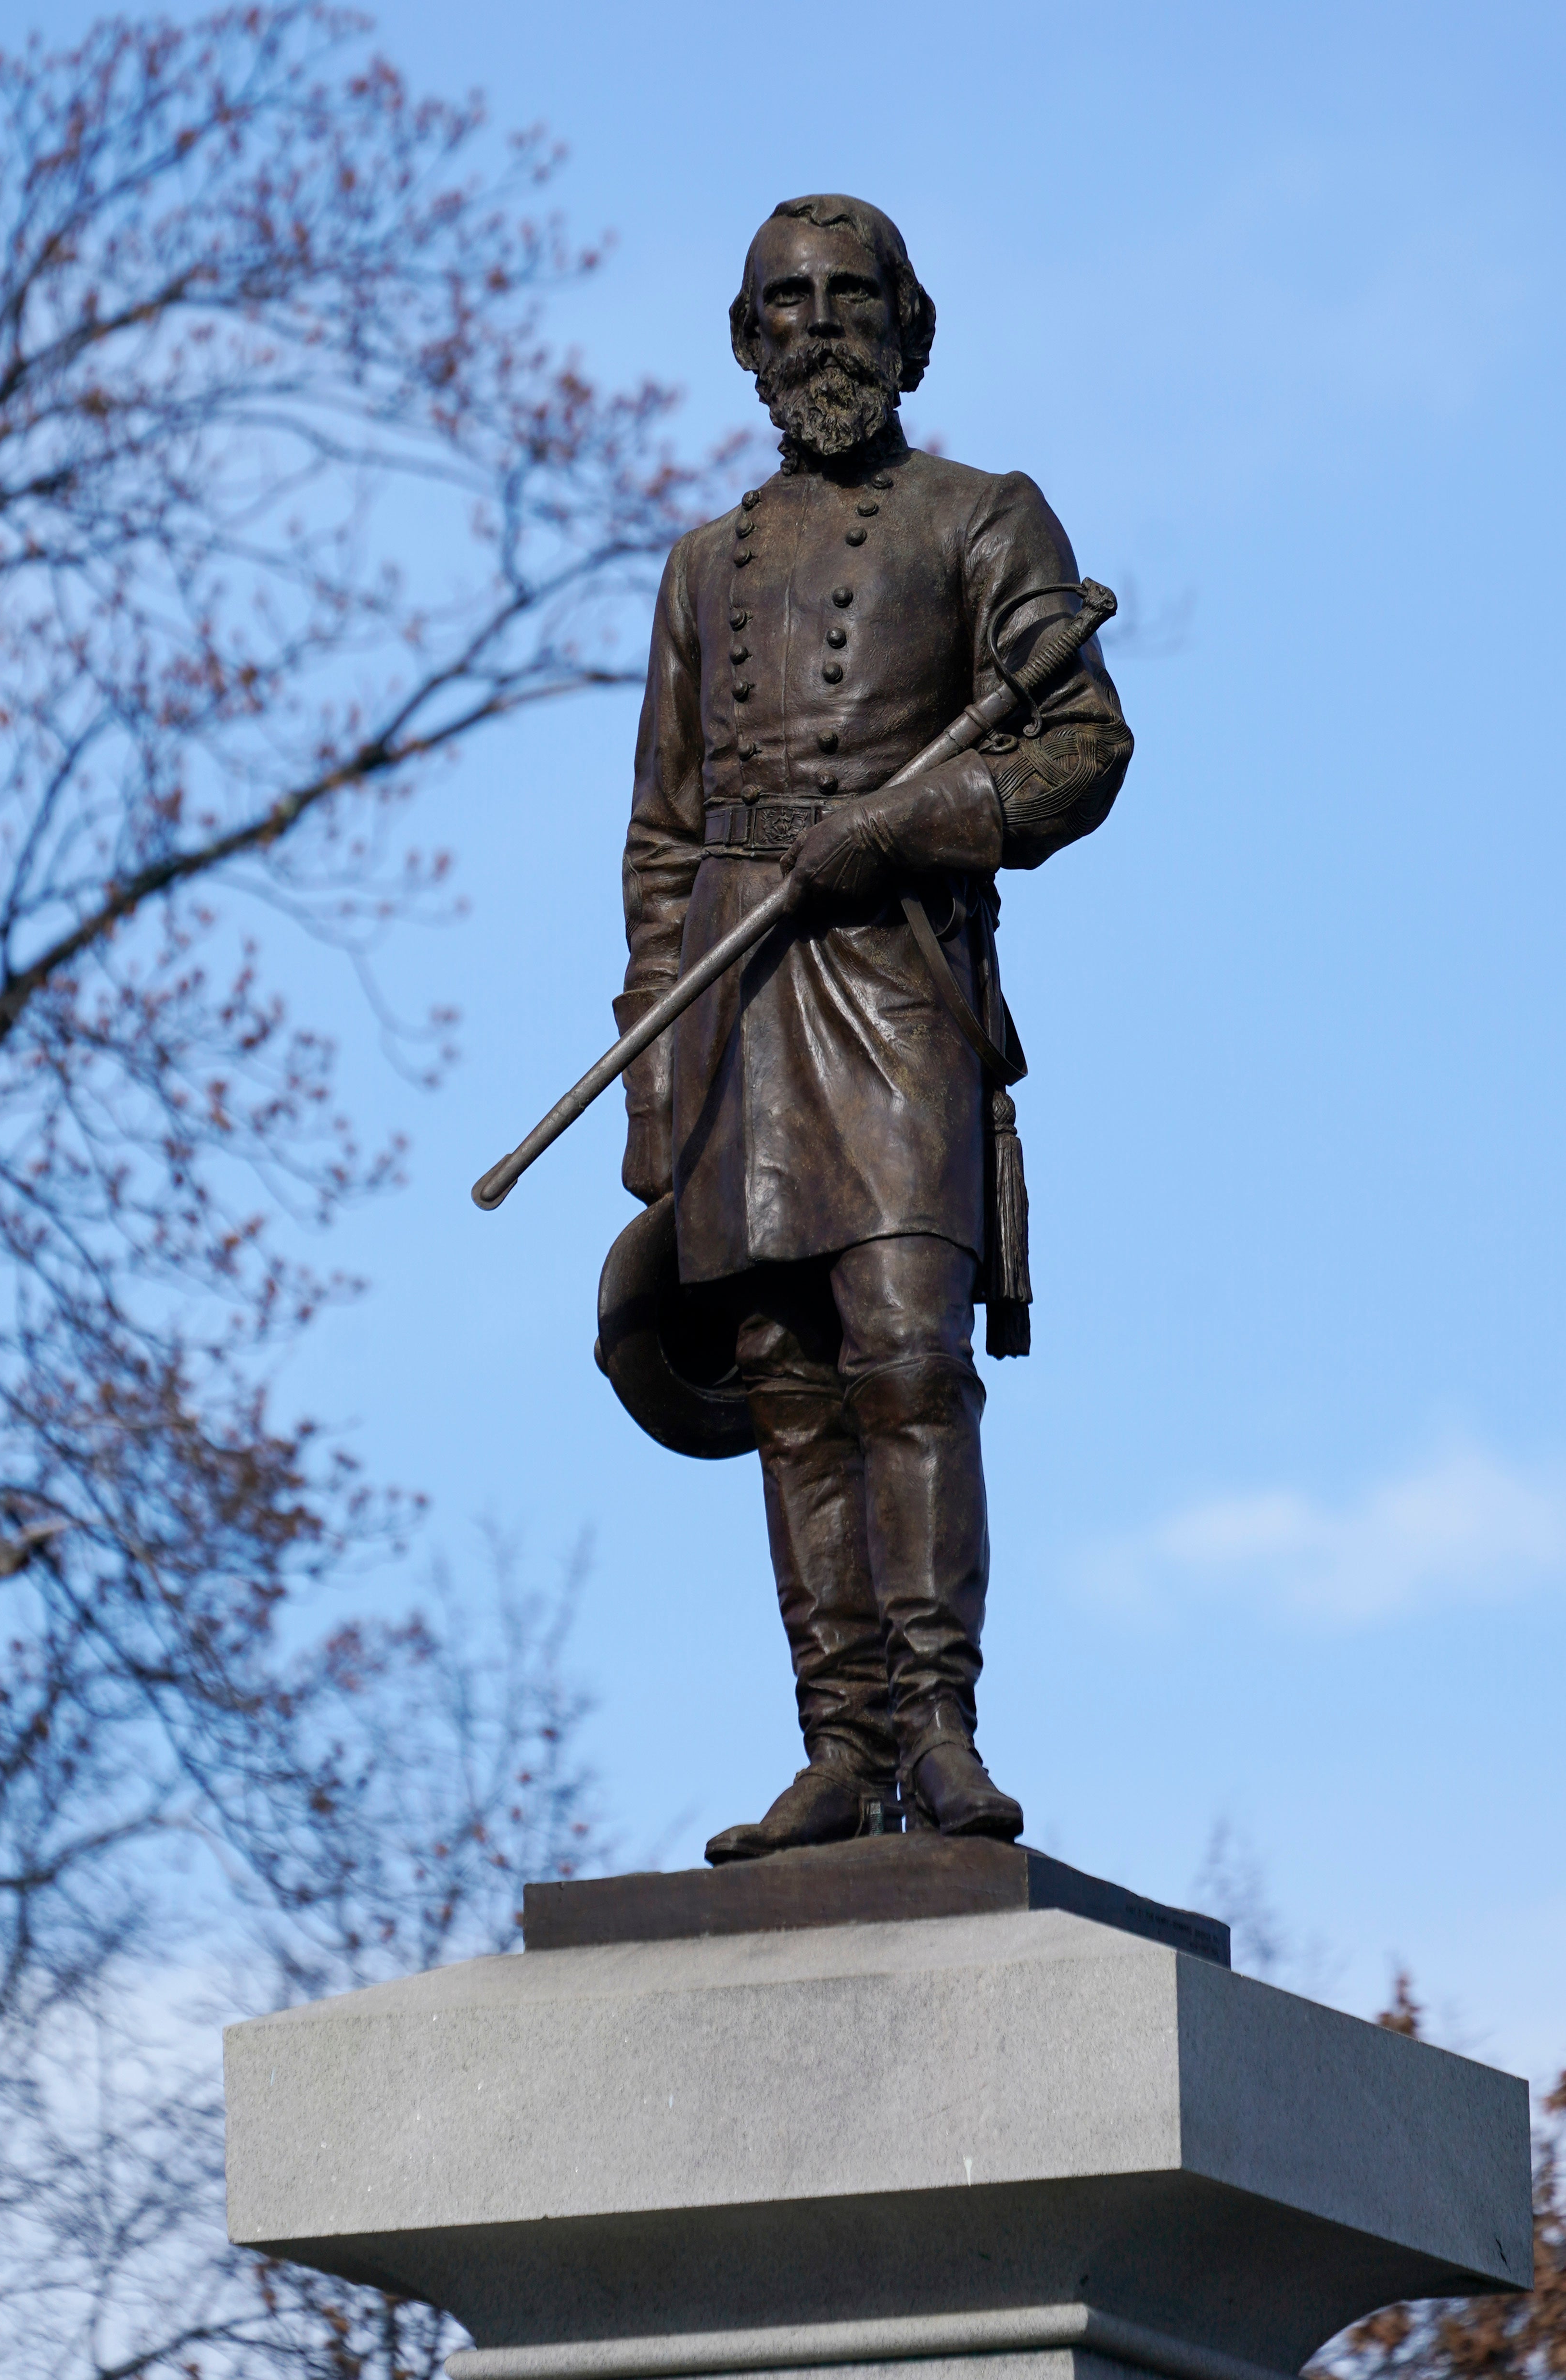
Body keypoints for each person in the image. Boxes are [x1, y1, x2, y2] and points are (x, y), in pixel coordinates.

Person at [616, 195, 1132, 1862]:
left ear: (910, 328)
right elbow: (661, 835)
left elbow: (1083, 747)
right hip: (734, 1001)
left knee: (909, 1349)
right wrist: (649, 1062)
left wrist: (914, 825)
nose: (817, 327)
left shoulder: (986, 517)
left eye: (851, 300)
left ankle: (941, 1725)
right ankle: (836, 1743)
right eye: (785, 302)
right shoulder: (703, 568)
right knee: (782, 1375)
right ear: (744, 337)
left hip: (900, 981)